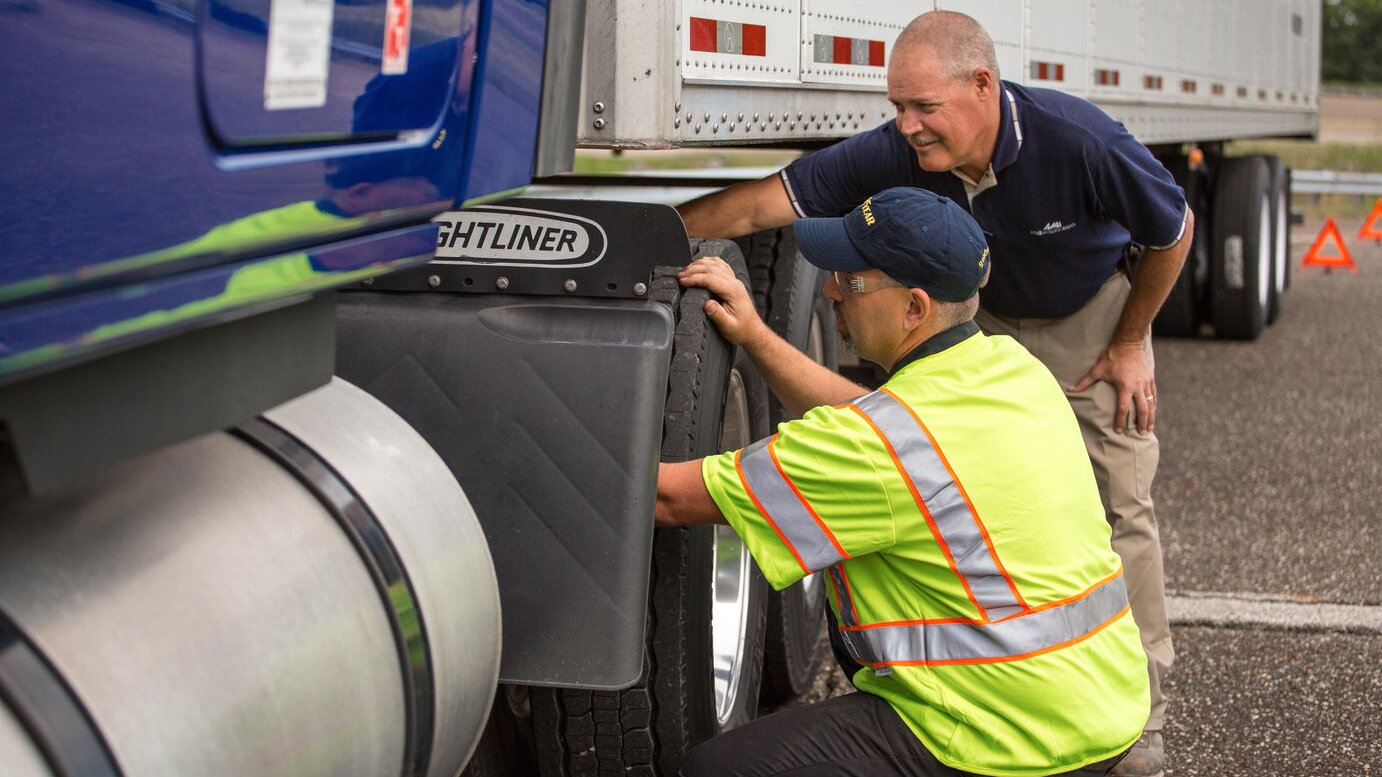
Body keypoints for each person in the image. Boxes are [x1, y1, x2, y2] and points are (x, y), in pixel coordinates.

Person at [676, 13, 1186, 775]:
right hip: (984, 312)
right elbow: (758, 206)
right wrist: (644, 240)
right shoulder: (901, 153)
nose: (907, 124)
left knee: (1120, 496)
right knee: (939, 455)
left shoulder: (1078, 140)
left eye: (923, 106)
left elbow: (1172, 229)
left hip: (1088, 312)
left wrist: (1129, 341)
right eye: (897, 107)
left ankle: (1143, 721)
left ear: (982, 85)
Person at [658, 187, 1148, 777]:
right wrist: (757, 336)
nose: (831, 290)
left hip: (1002, 733)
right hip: (1100, 707)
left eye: (851, 280)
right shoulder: (1015, 370)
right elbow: (877, 422)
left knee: (714, 771)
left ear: (914, 308)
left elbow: (666, 497)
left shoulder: (878, 446)